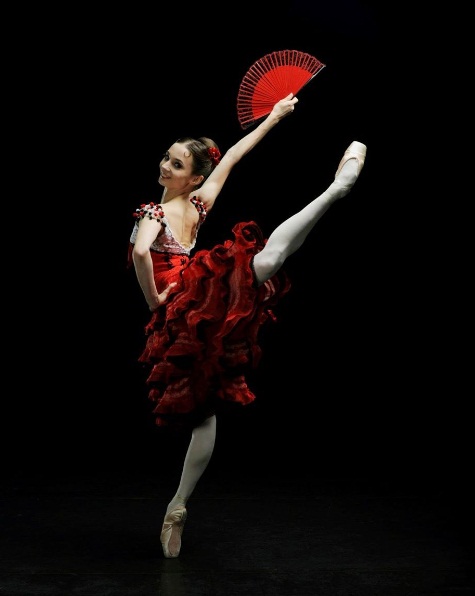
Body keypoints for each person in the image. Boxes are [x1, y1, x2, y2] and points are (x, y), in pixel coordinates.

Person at [129, 92, 366, 558]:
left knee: (263, 262)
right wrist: (275, 117)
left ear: (193, 177)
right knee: (206, 410)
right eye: (166, 158)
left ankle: (338, 187)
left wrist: (154, 300)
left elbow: (141, 252)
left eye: (175, 165)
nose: (164, 167)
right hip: (192, 311)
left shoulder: (153, 212)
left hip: (185, 305)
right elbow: (234, 156)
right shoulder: (198, 203)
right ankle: (177, 508)